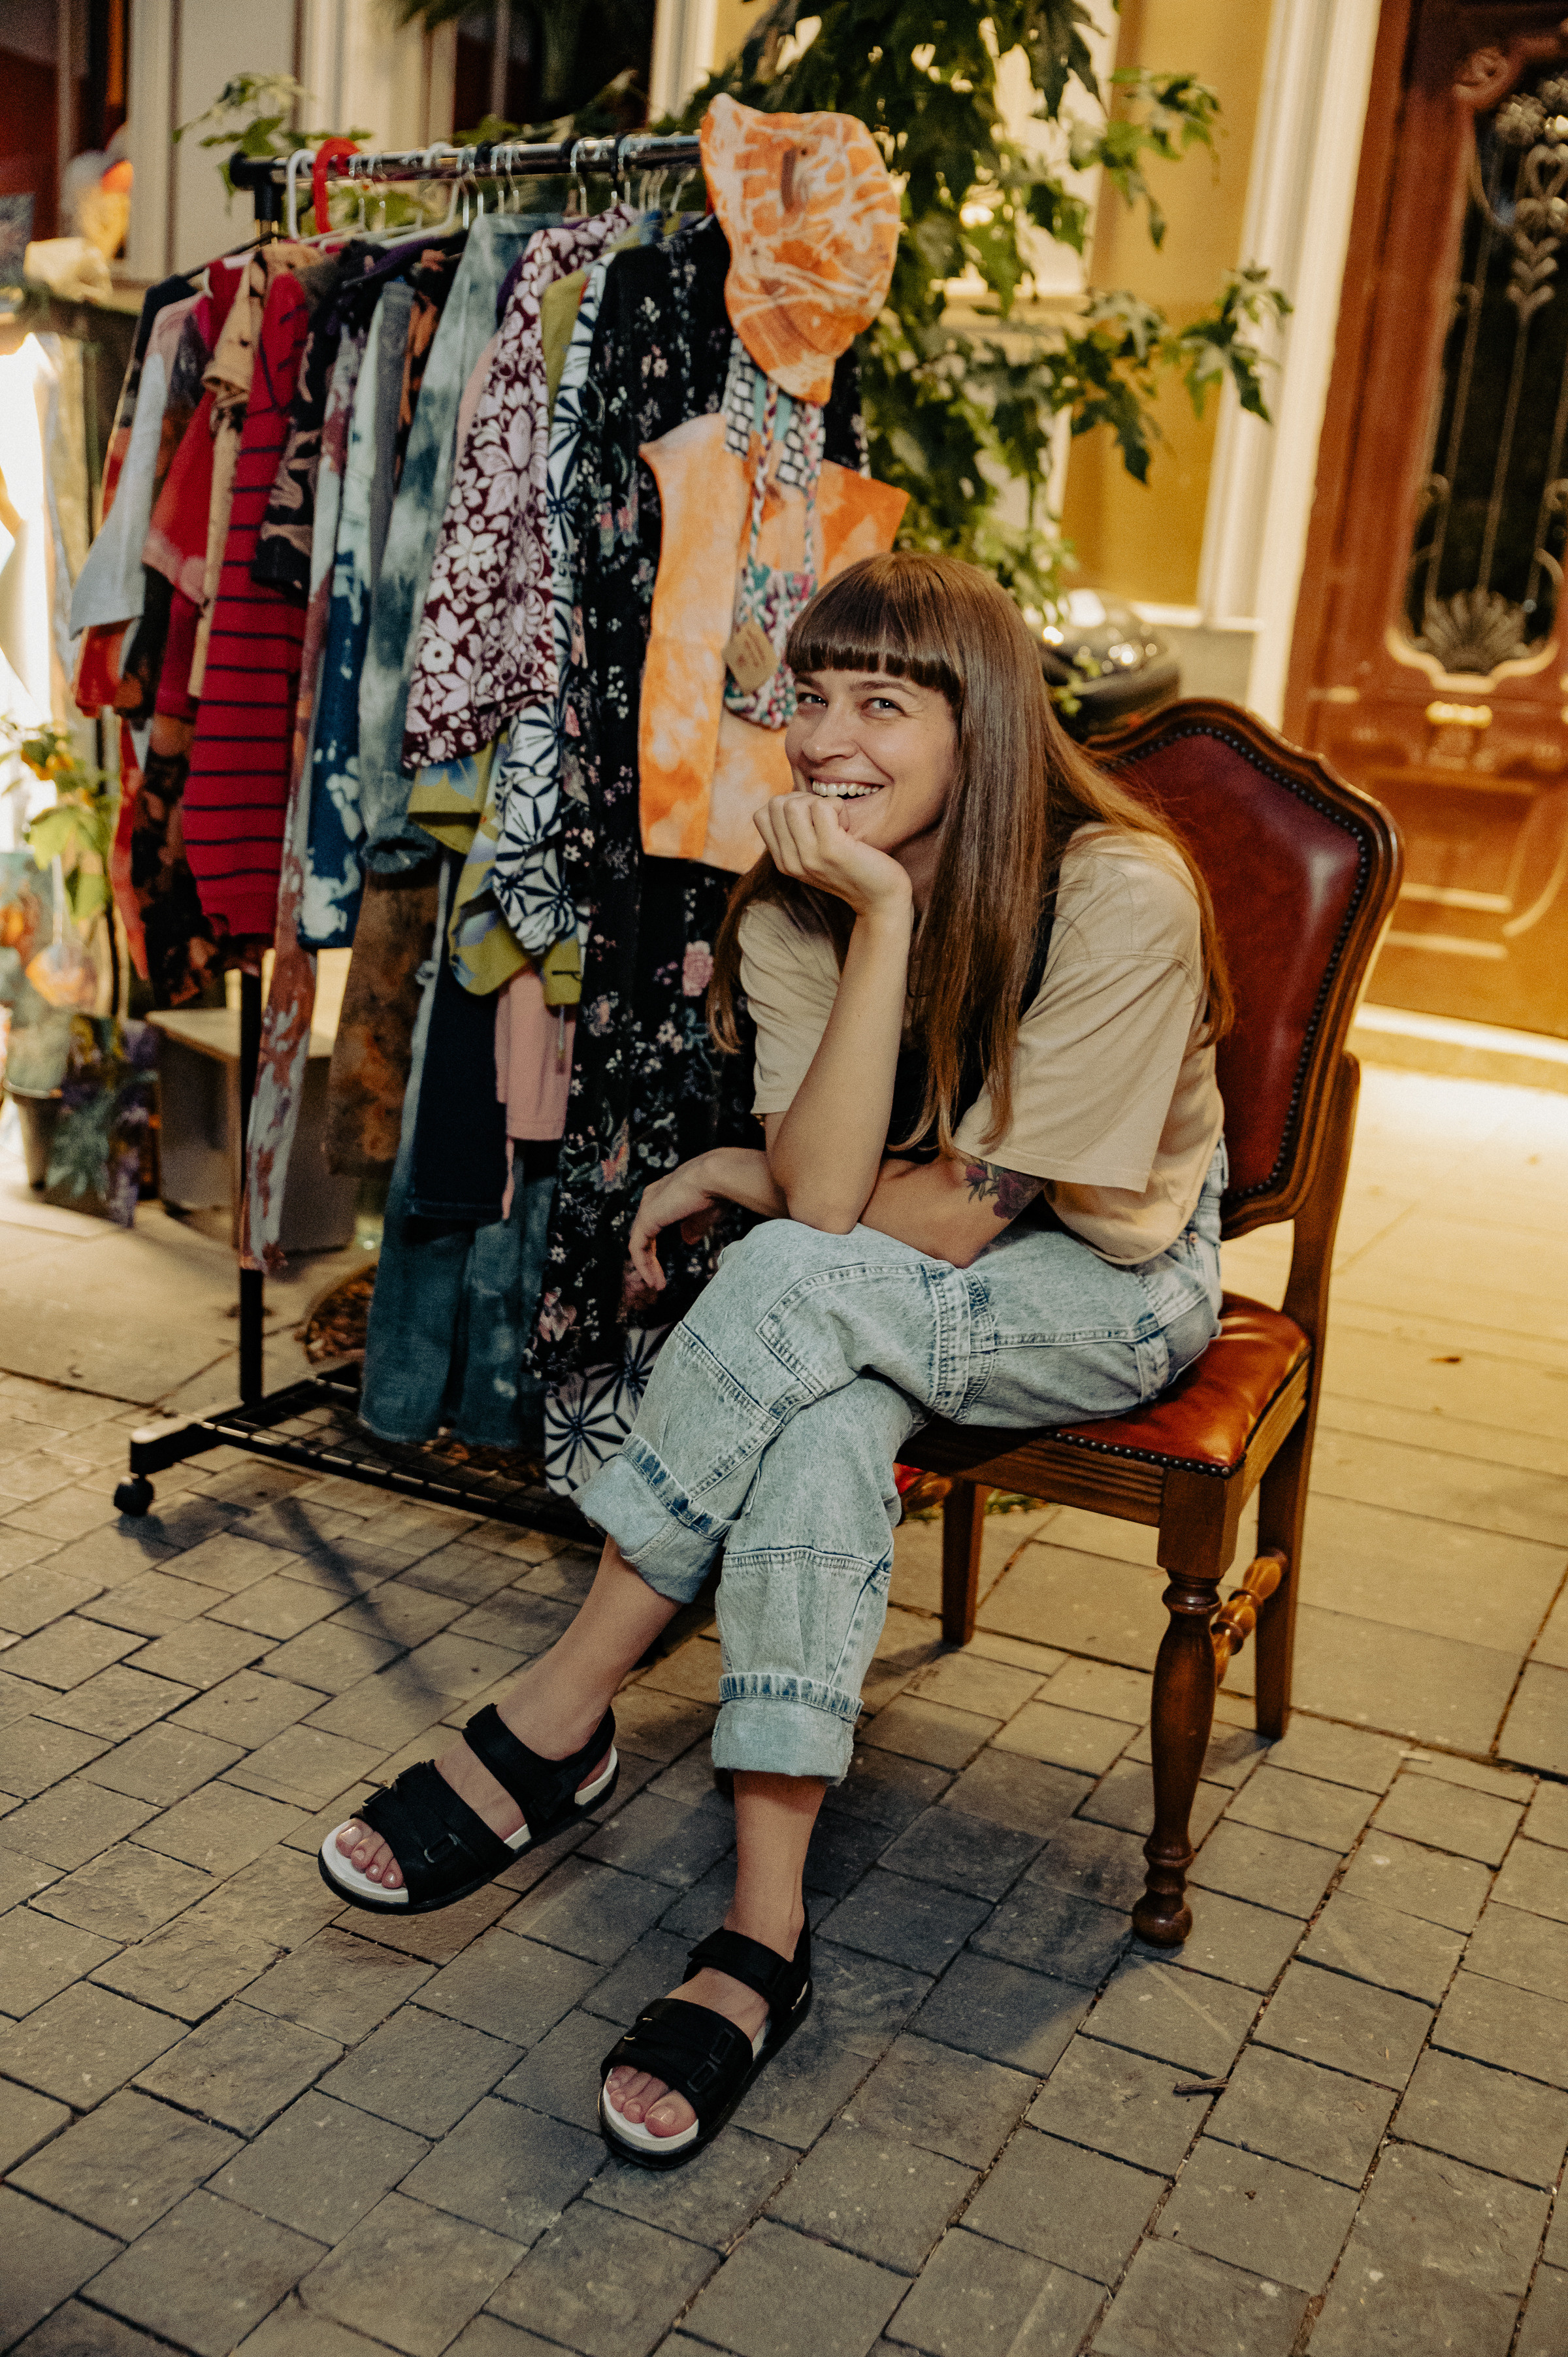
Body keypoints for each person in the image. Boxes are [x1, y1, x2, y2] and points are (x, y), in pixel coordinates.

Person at [319, 550, 1231, 2170]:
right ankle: (764, 1933)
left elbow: (937, 1219)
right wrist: (876, 915)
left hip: (1108, 1281)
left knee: (800, 1288)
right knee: (816, 1426)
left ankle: (560, 1710)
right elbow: (833, 1202)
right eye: (810, 697)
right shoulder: (804, 899)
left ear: (987, 728)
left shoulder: (1121, 891)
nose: (825, 739)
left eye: (884, 701)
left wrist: (760, 1178)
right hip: (888, 1248)